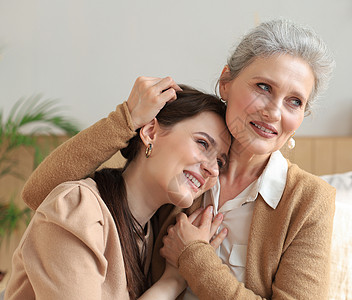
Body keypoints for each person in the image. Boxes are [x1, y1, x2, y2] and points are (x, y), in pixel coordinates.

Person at [19, 19, 336, 299]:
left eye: (295, 101)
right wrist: (126, 119)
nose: (274, 111)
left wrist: (194, 258)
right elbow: (45, 198)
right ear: (226, 81)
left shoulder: (307, 200)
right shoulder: (177, 181)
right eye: (263, 87)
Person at [5, 85, 231, 300]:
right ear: (151, 132)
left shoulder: (151, 236)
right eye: (202, 143)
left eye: (220, 162)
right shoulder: (78, 207)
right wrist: (172, 282)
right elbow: (34, 193)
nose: (212, 168)